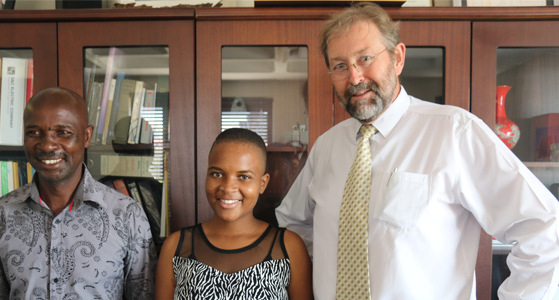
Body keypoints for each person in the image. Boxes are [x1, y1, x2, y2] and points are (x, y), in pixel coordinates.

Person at [275, 3, 559, 300]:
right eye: (341, 66)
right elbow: (293, 224)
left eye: (366, 58)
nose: (355, 77)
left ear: (397, 58)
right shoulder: (327, 147)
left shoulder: (455, 133)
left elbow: (543, 228)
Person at [0, 87, 157, 300]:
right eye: (34, 132)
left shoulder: (126, 215)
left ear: (86, 136)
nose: (47, 144)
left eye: (62, 132)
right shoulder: (0, 214)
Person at [156, 128, 312, 300]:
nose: (227, 187)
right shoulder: (176, 246)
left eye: (244, 177)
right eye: (217, 174)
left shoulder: (289, 247)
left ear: (262, 183)